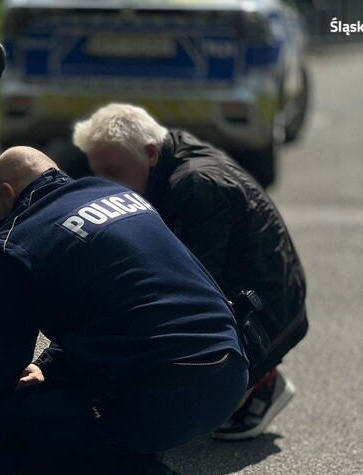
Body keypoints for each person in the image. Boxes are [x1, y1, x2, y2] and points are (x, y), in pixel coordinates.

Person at [0, 147, 248, 475]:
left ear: (7, 194)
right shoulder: (118, 196)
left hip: (163, 394)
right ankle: (129, 457)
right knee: (86, 380)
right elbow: (126, 304)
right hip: (229, 376)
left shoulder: (13, 241)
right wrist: (52, 365)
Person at [72, 104, 308, 441]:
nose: (105, 185)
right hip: (264, 295)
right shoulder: (169, 157)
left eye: (113, 172)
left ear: (150, 153)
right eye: (98, 173)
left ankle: (260, 380)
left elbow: (190, 289)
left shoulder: (196, 185)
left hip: (268, 317)